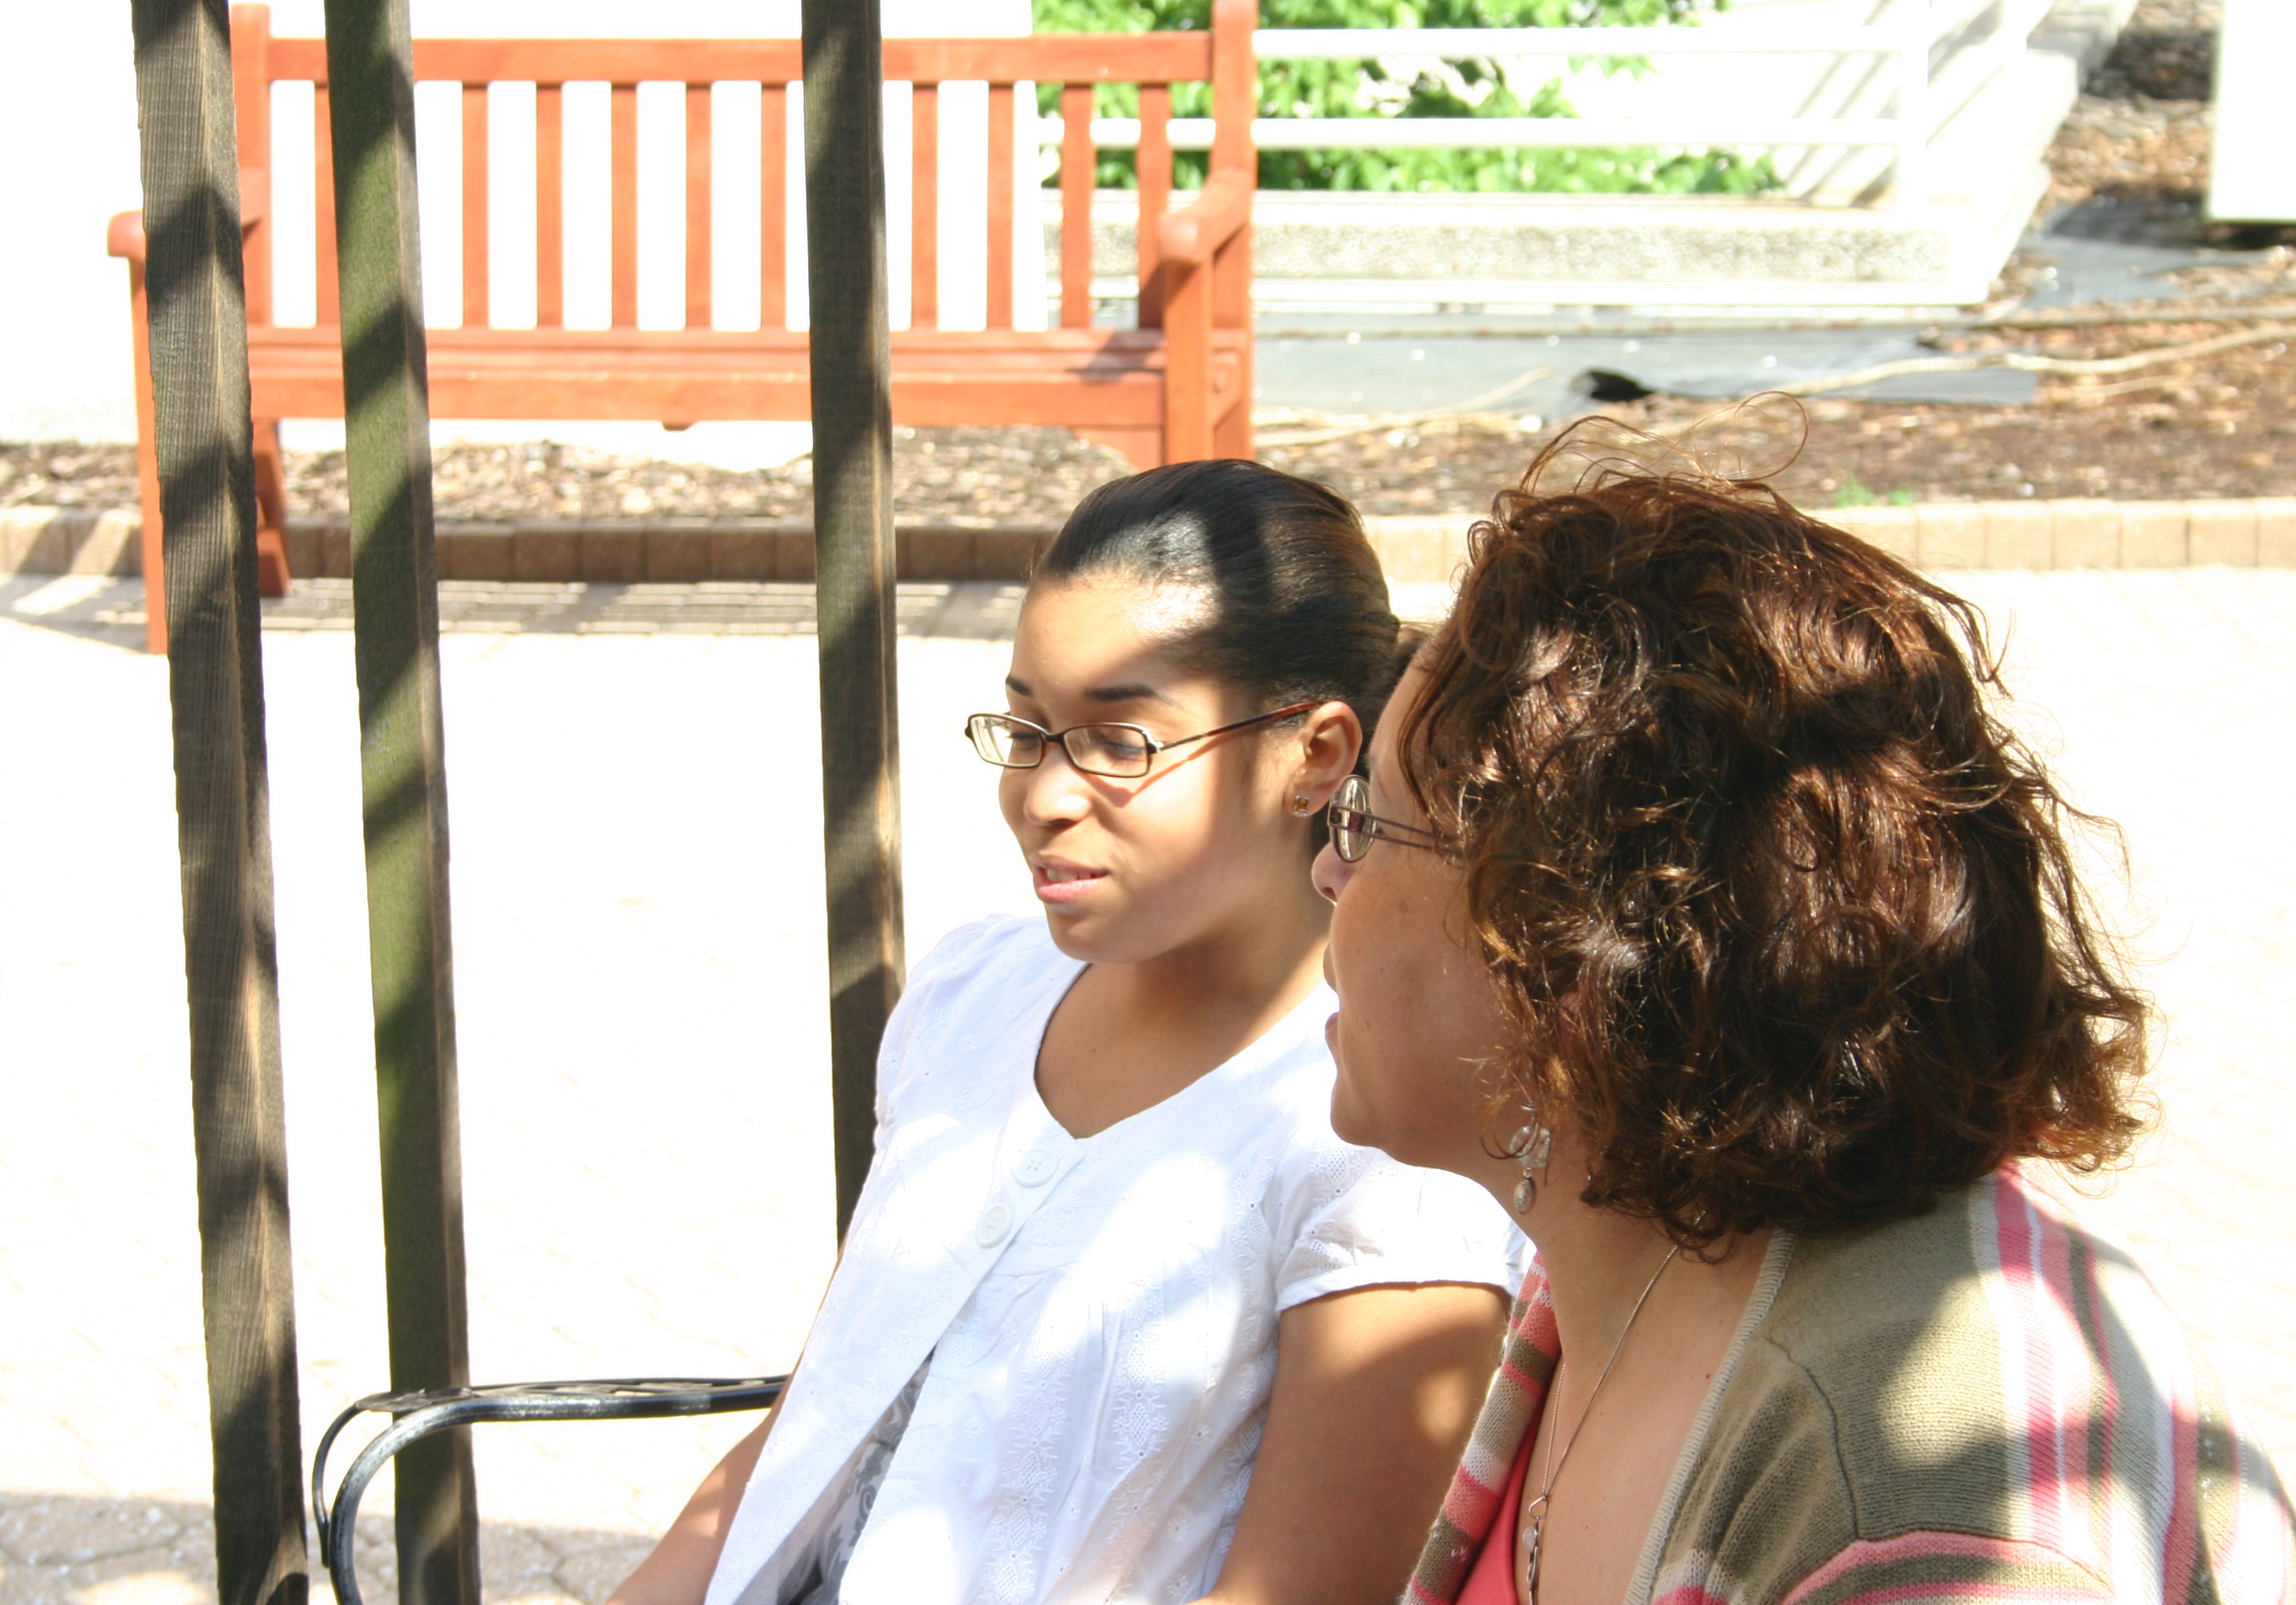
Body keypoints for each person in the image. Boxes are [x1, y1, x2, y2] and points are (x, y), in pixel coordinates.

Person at [1310, 443, 2296, 1605]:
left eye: (1367, 820)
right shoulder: (1630, 1247)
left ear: (1564, 941)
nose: (1327, 870)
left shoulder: (1923, 1499)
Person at [612, 459, 1532, 1605]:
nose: (1041, 796)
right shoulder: (975, 993)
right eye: (1030, 725)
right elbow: (819, 1423)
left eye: (1118, 739)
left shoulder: (1388, 1139)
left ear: (1316, 754)